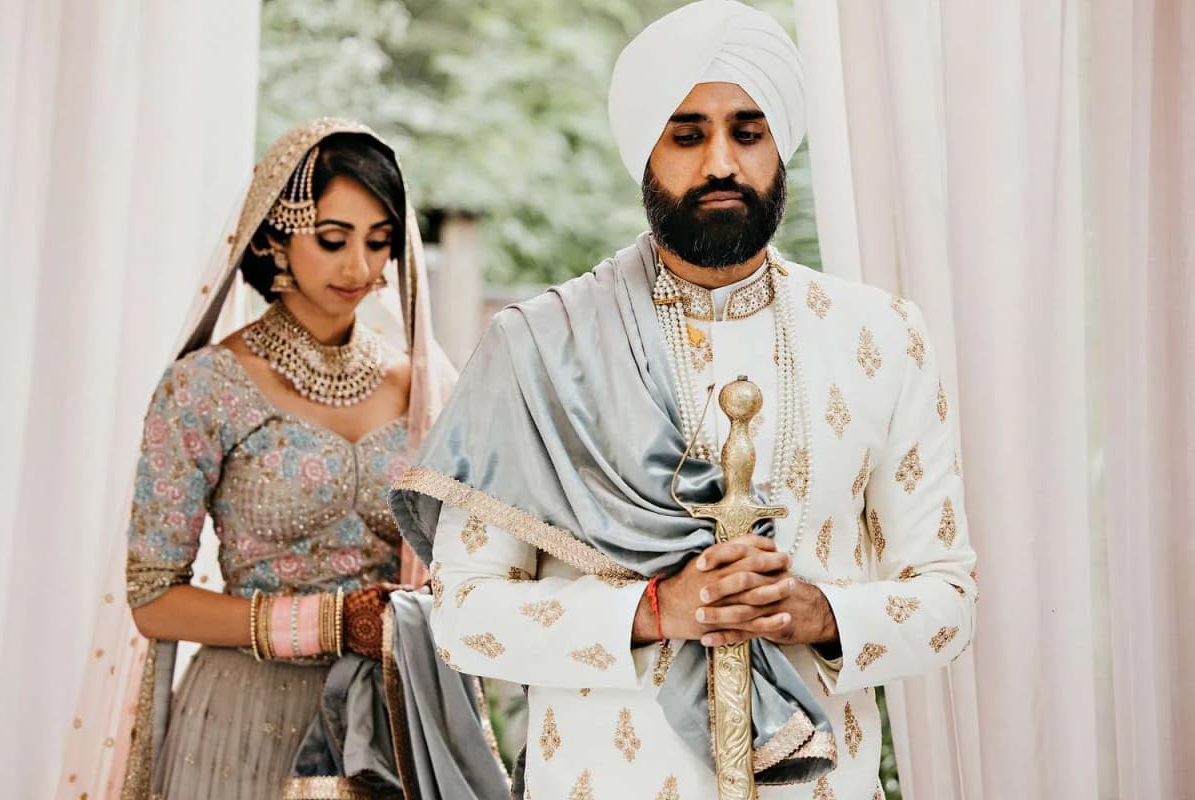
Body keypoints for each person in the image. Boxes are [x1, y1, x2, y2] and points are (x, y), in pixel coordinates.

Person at [389, 2, 978, 798]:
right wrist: (657, 610)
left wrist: (818, 613)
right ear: (645, 150)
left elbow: (948, 600)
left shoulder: (882, 336)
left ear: (780, 144)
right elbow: (463, 617)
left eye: (747, 130)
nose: (722, 164)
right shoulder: (540, 351)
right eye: (687, 135)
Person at [121, 118, 458, 798]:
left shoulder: (422, 387)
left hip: (386, 721)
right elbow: (153, 599)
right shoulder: (204, 388)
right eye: (332, 240)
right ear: (276, 234)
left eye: (379, 242)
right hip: (245, 720)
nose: (359, 268)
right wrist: (327, 623)